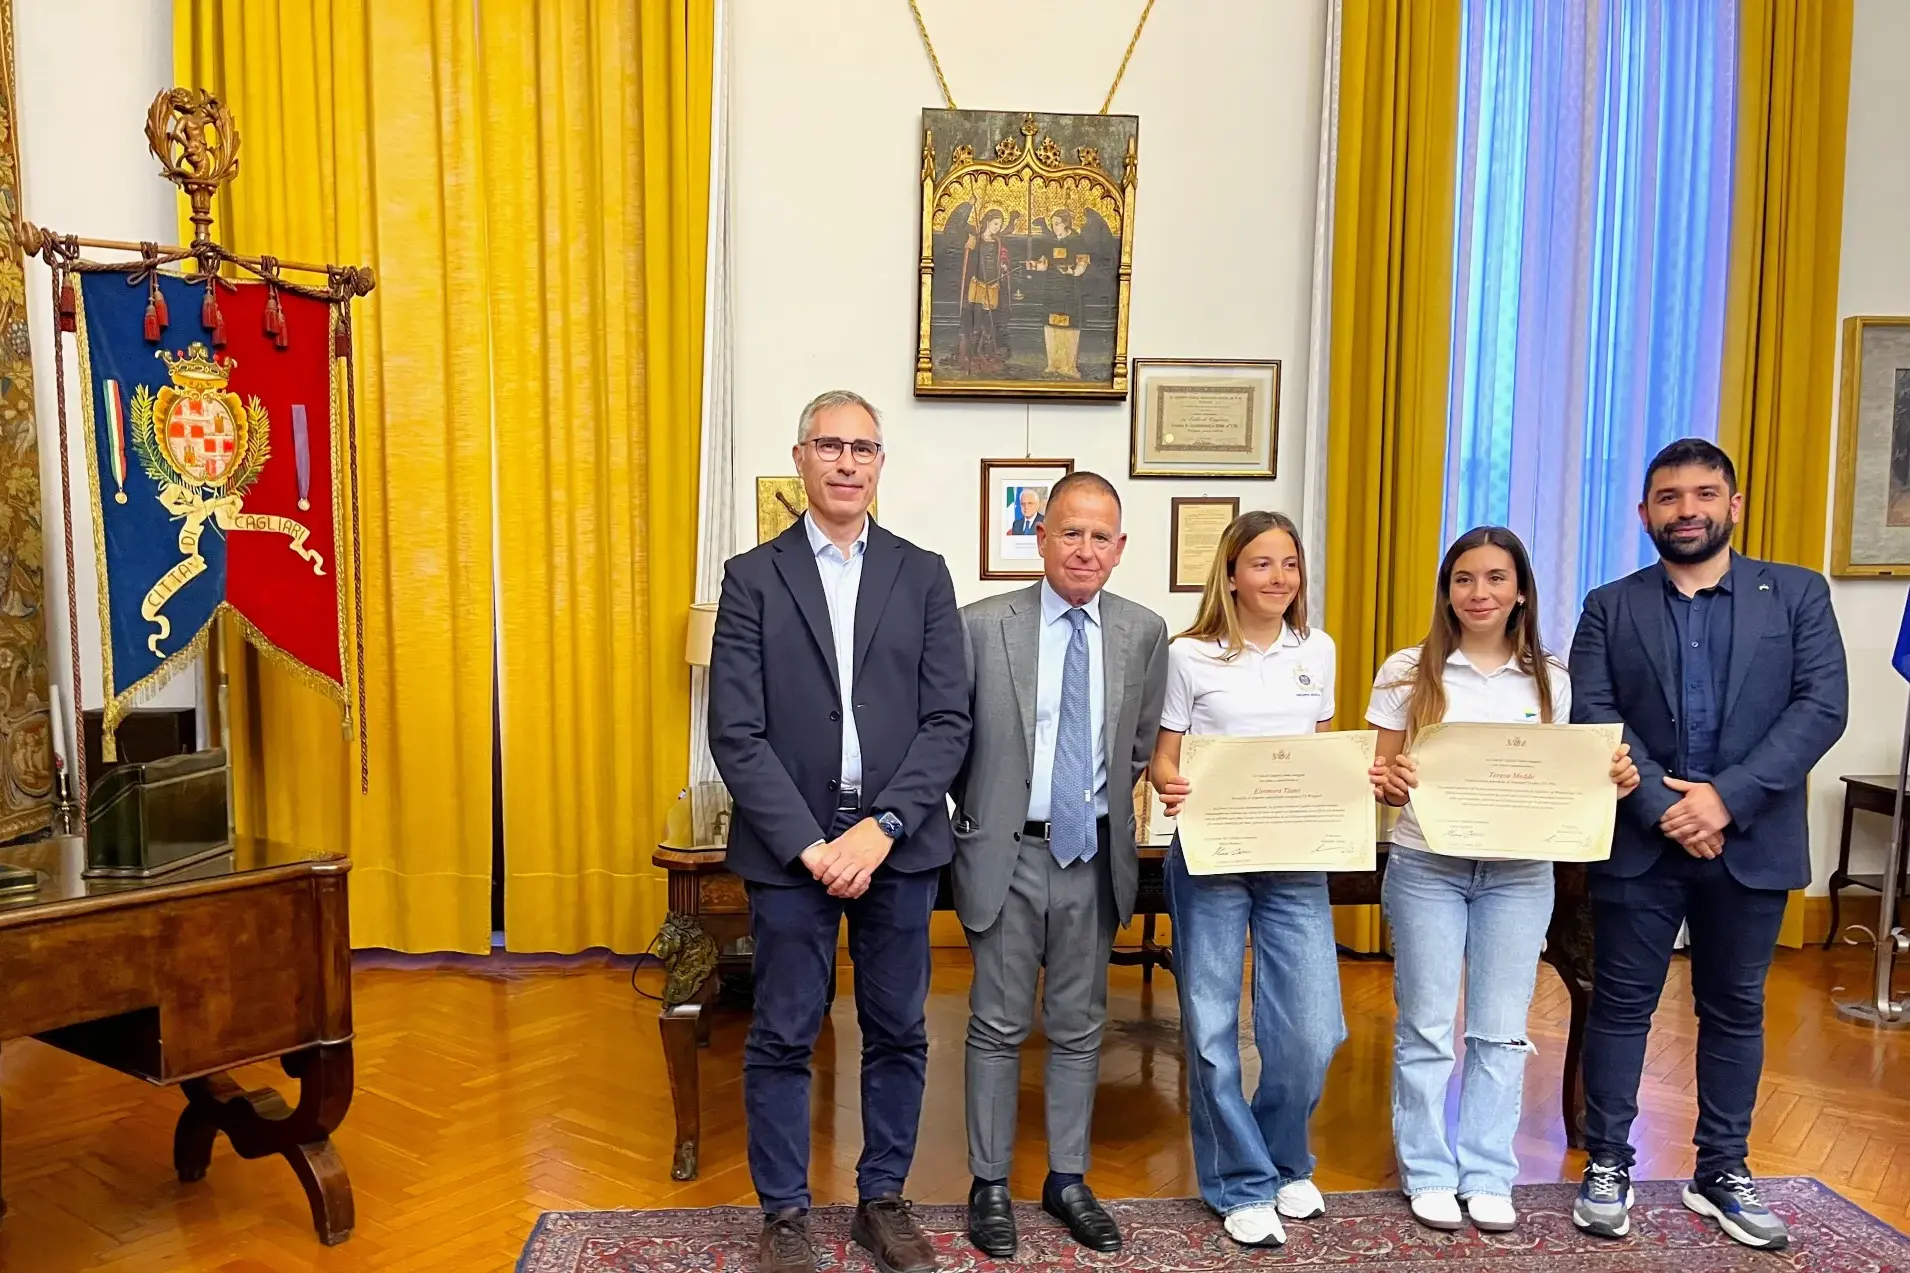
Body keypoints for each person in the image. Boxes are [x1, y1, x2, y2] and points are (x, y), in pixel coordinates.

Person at [707, 389, 971, 1273]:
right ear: (802, 458)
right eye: (831, 445)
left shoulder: (923, 573)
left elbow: (948, 721)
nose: (848, 461)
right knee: (785, 1029)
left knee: (898, 1027)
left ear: (881, 463)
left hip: (898, 842)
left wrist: (885, 825)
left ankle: (881, 1201)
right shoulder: (752, 577)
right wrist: (812, 844)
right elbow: (735, 732)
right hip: (793, 851)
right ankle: (784, 1212)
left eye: (863, 446)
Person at [1568, 438, 1848, 1252]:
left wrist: (1725, 799)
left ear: (1733, 504)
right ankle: (1608, 1163)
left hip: (1752, 836)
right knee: (1621, 1008)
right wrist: (1665, 804)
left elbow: (1820, 707)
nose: (1685, 509)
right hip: (1641, 841)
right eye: (1667, 496)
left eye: (1702, 494)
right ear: (1645, 512)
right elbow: (1596, 712)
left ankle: (1721, 1169)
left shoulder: (1795, 594)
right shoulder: (1610, 604)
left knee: (1735, 1008)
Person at [1365, 526, 1639, 1234]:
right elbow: (1381, 780)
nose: (1478, 592)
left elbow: (1570, 777)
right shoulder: (1406, 669)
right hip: (1427, 865)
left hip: (1520, 872)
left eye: (1493, 578)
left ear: (1520, 589)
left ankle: (1488, 1171)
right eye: (1463, 578)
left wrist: (1612, 774)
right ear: (1446, 589)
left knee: (1500, 1030)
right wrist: (1389, 780)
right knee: (1426, 1026)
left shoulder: (1553, 677)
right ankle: (1427, 1169)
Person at [949, 471, 1169, 1260]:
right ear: (1039, 536)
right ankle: (990, 1183)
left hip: (1094, 854)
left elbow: (1139, 745)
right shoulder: (981, 625)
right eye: (1069, 531)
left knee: (1080, 1027)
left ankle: (1068, 1178)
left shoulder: (1145, 632)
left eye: (1100, 535)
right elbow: (953, 740)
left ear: (1119, 549)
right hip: (1008, 852)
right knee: (998, 1024)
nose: (1084, 548)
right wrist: (982, 814)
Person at [1148, 510, 1343, 1249]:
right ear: (1231, 574)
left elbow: (1322, 752)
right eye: (1262, 564)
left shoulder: (1315, 650)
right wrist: (1170, 783)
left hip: (1296, 859)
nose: (1279, 577)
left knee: (1315, 1029)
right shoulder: (1191, 654)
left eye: (1289, 563)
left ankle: (1283, 1156)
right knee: (1211, 1028)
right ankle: (1238, 1179)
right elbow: (1164, 757)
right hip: (1212, 855)